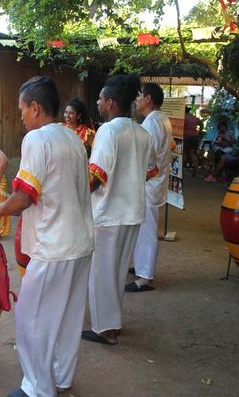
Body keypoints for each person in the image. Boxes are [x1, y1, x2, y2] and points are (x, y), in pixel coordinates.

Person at [0, 76, 94, 397]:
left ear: (36, 107)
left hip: (53, 248)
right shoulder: (73, 139)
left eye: (22, 110)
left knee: (31, 318)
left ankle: (38, 389)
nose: (21, 117)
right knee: (68, 319)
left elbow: (24, 197)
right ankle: (61, 378)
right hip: (81, 244)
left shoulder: (37, 139)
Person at [82, 74, 157, 345]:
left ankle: (105, 329)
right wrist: (129, 181)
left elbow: (95, 176)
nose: (98, 102)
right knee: (116, 273)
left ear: (111, 103)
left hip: (107, 214)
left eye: (100, 99)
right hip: (132, 213)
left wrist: (75, 196)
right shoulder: (142, 133)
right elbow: (152, 170)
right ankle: (112, 323)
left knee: (102, 274)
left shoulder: (108, 131)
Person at [126, 83, 173, 292]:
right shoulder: (159, 119)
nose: (137, 100)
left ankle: (145, 277)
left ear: (148, 98)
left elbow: (148, 156)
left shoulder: (153, 122)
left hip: (149, 182)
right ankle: (140, 267)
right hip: (152, 181)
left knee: (146, 229)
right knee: (143, 226)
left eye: (139, 96)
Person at [183, 106, 203, 175]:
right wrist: (200, 132)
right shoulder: (193, 117)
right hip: (195, 136)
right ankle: (196, 170)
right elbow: (201, 123)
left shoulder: (184, 117)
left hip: (187, 136)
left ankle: (182, 169)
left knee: (185, 153)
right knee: (193, 153)